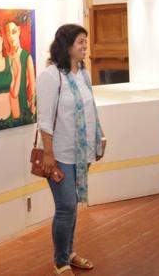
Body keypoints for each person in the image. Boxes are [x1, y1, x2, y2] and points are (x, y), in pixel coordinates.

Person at [36, 24, 106, 276]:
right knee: (66, 206)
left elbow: (91, 109)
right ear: (66, 45)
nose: (85, 45)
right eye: (80, 41)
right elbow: (44, 119)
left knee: (73, 205)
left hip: (82, 153)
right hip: (60, 154)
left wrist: (99, 137)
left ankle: (68, 251)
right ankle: (60, 260)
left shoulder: (83, 73)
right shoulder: (51, 76)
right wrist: (48, 153)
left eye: (86, 41)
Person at [5, 18, 35, 119]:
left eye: (13, 32)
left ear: (19, 31)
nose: (11, 37)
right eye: (8, 34)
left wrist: (32, 106)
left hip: (22, 105)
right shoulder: (5, 58)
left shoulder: (26, 57)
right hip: (7, 109)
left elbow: (32, 86)